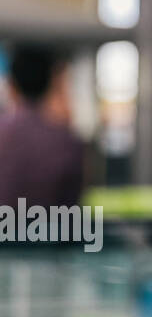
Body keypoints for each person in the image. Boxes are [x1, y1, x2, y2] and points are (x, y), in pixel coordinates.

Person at [0, 43, 87, 209]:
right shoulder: (69, 143)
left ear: (11, 85)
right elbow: (71, 207)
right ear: (50, 85)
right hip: (49, 233)